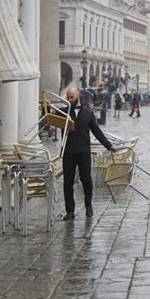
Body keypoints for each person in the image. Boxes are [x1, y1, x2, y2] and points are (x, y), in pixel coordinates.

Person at [60, 88, 117, 220]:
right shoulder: (63, 112)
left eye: (72, 97)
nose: (69, 100)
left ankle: (88, 205)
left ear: (78, 96)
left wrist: (109, 146)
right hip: (68, 152)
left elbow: (97, 132)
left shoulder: (88, 113)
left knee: (86, 180)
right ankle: (70, 210)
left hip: (84, 152)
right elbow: (50, 118)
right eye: (68, 97)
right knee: (67, 182)